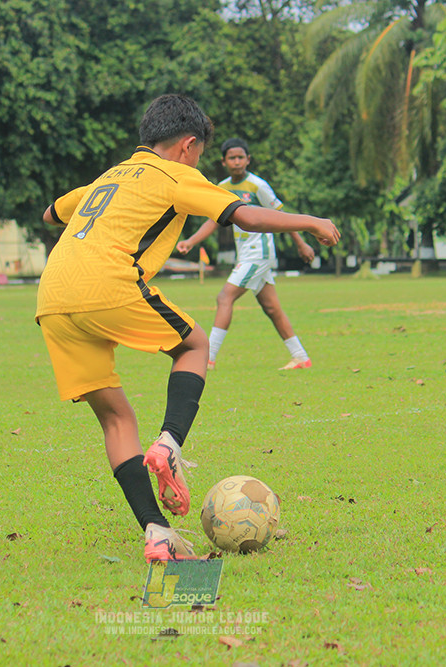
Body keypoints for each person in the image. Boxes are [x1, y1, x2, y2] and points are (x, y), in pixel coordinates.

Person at [36, 94, 339, 561]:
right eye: (200, 154)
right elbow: (248, 216)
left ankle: (156, 531)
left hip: (53, 296)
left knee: (116, 419)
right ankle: (170, 444)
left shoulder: (109, 175)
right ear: (188, 145)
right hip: (108, 284)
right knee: (194, 344)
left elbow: (51, 215)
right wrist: (312, 222)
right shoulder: (177, 175)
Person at [176, 137, 316, 371]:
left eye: (241, 157)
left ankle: (208, 357)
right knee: (271, 308)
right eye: (232, 158)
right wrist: (191, 241)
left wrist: (301, 243)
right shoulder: (222, 188)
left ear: (248, 160)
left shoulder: (258, 186)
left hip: (258, 252)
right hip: (246, 254)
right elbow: (214, 221)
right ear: (224, 162)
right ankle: (301, 357)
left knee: (224, 297)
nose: (237, 161)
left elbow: (280, 216)